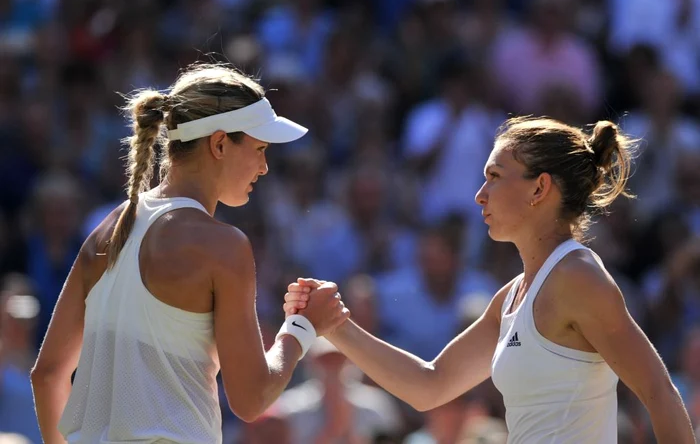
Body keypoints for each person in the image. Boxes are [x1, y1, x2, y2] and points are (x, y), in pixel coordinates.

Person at [285, 117, 696, 442]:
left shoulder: (579, 277)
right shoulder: (510, 297)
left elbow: (658, 392)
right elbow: (430, 385)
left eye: (495, 176)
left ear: (539, 188)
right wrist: (335, 324)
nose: (480, 194)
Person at [30, 63, 349, 444]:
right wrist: (301, 328)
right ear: (218, 144)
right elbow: (251, 398)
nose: (264, 167)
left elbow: (47, 375)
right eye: (259, 149)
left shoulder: (107, 228)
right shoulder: (224, 246)